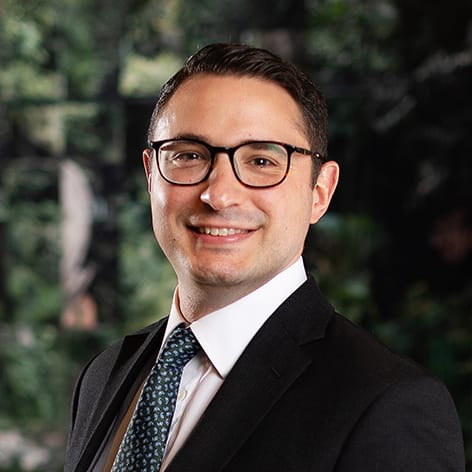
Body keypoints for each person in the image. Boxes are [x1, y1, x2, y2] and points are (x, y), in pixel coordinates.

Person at [65, 43, 465, 472]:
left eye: (260, 160)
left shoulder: (388, 405)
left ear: (320, 192)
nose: (219, 195)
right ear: (151, 175)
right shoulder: (104, 375)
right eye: (189, 156)